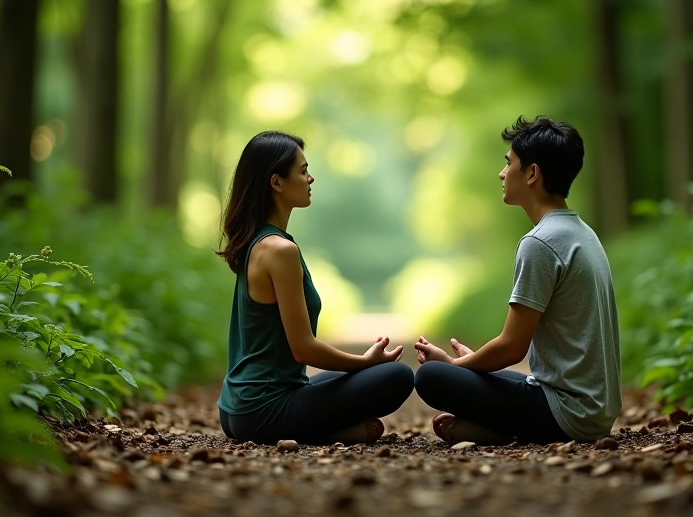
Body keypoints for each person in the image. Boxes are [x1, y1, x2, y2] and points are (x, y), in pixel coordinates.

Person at [413, 116, 621, 445]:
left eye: (509, 163)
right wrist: (474, 366)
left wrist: (458, 365)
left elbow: (512, 347)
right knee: (491, 378)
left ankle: (499, 429)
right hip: (595, 412)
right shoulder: (582, 233)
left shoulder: (540, 242)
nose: (502, 172)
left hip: (566, 414)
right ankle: (494, 428)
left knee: (431, 376)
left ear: (532, 173)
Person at [216, 131, 413, 445]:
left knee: (353, 377)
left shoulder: (260, 243)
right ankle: (325, 433)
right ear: (276, 182)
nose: (311, 178)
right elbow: (303, 348)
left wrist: (360, 366)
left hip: (237, 408)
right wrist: (364, 363)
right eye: (303, 171)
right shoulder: (279, 250)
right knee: (397, 376)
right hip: (264, 410)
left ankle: (320, 429)